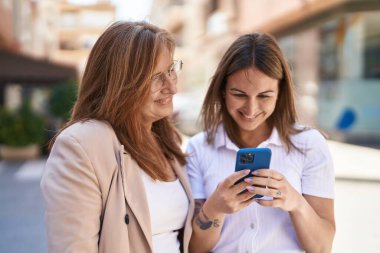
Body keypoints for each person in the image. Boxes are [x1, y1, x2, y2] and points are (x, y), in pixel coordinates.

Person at [40, 21, 194, 253]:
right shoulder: (82, 144)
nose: (172, 87)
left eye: (171, 70)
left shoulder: (167, 139)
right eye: (156, 77)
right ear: (121, 83)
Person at [186, 33, 335, 253]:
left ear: (279, 93)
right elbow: (194, 249)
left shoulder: (309, 145)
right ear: (222, 91)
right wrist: (215, 208)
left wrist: (296, 203)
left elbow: (322, 248)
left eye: (264, 96)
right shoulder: (199, 148)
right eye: (239, 94)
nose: (251, 109)